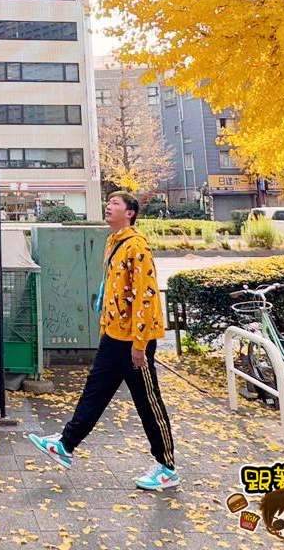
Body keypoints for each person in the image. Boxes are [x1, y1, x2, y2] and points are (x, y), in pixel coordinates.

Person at [28, 191, 177, 490]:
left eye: (115, 204)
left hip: (134, 341)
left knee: (148, 402)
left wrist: (139, 344)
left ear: (130, 213)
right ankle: (66, 444)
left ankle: (167, 467)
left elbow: (146, 298)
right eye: (108, 203)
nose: (108, 207)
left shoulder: (137, 247)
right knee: (94, 391)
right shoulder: (114, 242)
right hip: (113, 335)